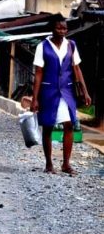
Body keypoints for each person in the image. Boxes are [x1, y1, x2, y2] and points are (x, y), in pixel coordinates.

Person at [31, 16, 91, 176]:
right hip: (48, 91)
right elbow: (38, 73)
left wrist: (85, 91)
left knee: (69, 125)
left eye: (64, 28)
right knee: (48, 126)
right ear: (52, 29)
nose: (62, 31)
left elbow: (77, 69)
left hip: (67, 91)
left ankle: (66, 164)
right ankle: (49, 164)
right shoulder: (42, 46)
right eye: (59, 28)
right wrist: (34, 98)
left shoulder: (71, 45)